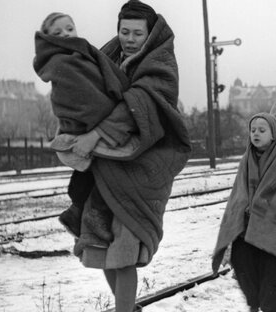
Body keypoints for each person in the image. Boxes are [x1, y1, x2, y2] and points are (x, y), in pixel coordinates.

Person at [63, 2, 192, 311]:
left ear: (150, 35)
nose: (130, 39)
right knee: (101, 244)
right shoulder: (107, 58)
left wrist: (94, 135)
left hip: (143, 169)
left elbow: (140, 106)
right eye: (125, 31)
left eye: (137, 33)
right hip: (106, 170)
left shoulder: (161, 66)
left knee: (125, 251)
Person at [34, 12, 141, 244]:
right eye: (58, 33)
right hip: (87, 124)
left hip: (87, 124)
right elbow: (84, 96)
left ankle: (77, 213)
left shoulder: (79, 54)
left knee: (94, 173)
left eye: (69, 29)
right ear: (49, 39)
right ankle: (87, 216)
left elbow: (93, 84)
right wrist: (113, 114)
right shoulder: (64, 61)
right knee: (109, 171)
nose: (66, 35)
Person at [212, 113, 276, 312]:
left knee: (274, 288)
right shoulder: (246, 161)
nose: (256, 133)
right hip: (247, 232)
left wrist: (259, 206)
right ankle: (254, 305)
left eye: (262, 130)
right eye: (253, 130)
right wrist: (242, 212)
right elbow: (238, 195)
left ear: (274, 134)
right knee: (245, 274)